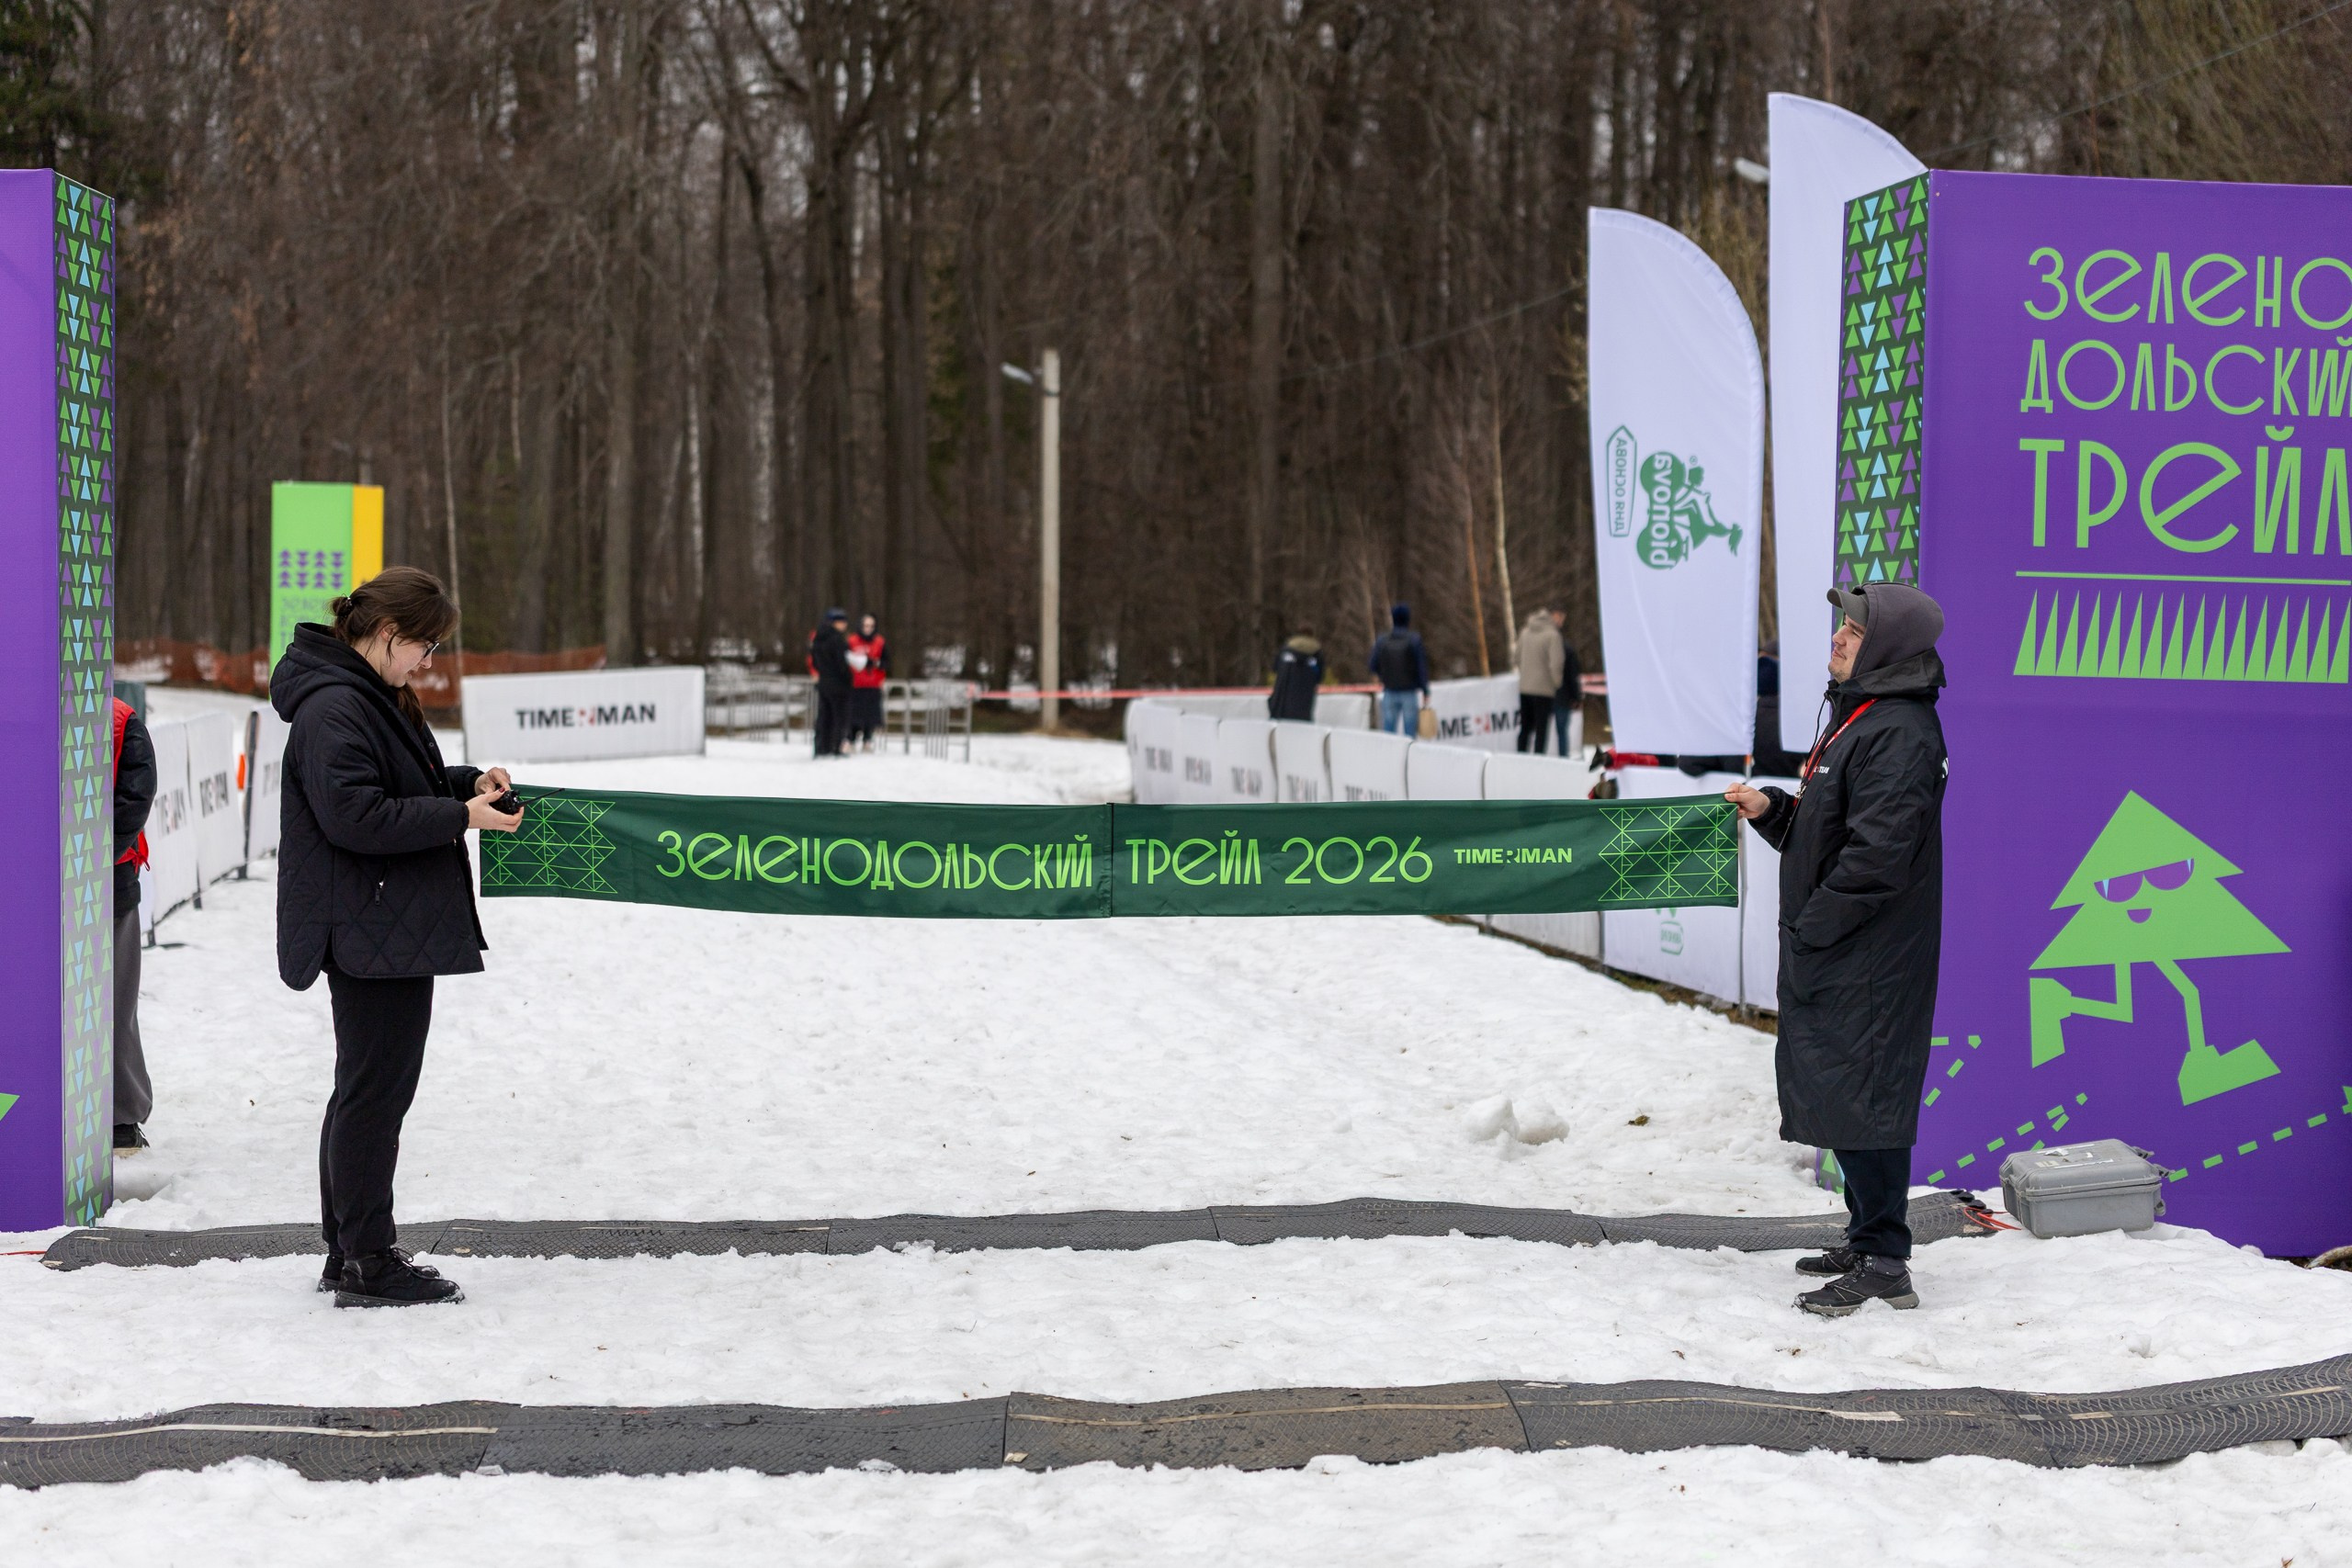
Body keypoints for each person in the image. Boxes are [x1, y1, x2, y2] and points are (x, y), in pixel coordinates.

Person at [273, 567, 524, 1308]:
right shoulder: (333, 708)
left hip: (380, 921)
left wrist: (467, 783)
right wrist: (462, 819)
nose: (429, 661)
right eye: (426, 645)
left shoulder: (364, 693)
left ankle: (347, 1248)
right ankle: (369, 1260)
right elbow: (358, 816)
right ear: (387, 635)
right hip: (367, 925)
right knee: (374, 1094)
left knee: (365, 1088)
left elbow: (399, 782)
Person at [1725, 583, 1948, 1318]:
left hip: (1869, 952)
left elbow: (1878, 856)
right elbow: (1830, 834)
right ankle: (1866, 1234)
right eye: (1843, 626)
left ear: (1886, 646)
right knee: (1849, 1096)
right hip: (1843, 945)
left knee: (1868, 1099)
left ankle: (1886, 1259)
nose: (1840, 637)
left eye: (1856, 629)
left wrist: (1814, 925)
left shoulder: (1902, 732)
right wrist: (1773, 810)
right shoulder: (1861, 718)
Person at [111, 694, 156, 1156]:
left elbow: (134, 801)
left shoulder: (120, 719)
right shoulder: (119, 717)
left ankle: (122, 1117)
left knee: (114, 1002)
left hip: (107, 888)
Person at [1369, 604, 1428, 736]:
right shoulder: (1414, 640)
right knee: (1410, 734)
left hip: (1389, 691)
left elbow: (1372, 665)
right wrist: (1425, 689)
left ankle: (1389, 756)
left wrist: (1383, 676)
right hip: (1409, 691)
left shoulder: (1382, 641)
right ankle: (1409, 757)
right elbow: (1421, 666)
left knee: (1389, 733)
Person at [1514, 607, 1564, 753]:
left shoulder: (1525, 632)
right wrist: (1556, 683)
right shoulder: (1553, 635)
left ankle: (1520, 757)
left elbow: (1516, 657)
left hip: (1525, 688)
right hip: (1543, 690)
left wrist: (1526, 674)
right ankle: (1538, 761)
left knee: (1525, 728)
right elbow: (1556, 663)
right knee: (1541, 730)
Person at [808, 608, 853, 758]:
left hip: (824, 682)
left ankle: (821, 747)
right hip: (838, 684)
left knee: (824, 716)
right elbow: (842, 663)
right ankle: (836, 746)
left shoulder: (818, 638)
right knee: (839, 717)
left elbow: (813, 660)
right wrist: (848, 677)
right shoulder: (837, 639)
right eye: (842, 622)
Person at [846, 613, 888, 752]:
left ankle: (867, 740)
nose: (868, 628)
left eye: (871, 626)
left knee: (870, 715)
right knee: (853, 715)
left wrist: (876, 664)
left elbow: (886, 662)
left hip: (873, 683)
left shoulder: (880, 642)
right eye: (865, 625)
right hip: (855, 683)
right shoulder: (852, 641)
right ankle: (850, 739)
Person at [1268, 632, 1323, 722]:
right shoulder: (1316, 652)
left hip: (1282, 703)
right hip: (1304, 701)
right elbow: (1319, 675)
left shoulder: (1287, 648)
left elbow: (1275, 668)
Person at [1551, 611, 1584, 759]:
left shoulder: (1559, 648)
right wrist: (1576, 697)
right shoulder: (1565, 648)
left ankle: (1562, 758)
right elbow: (1572, 675)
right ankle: (1563, 758)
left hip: (1552, 694)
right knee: (1562, 731)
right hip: (1561, 695)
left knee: (1559, 730)